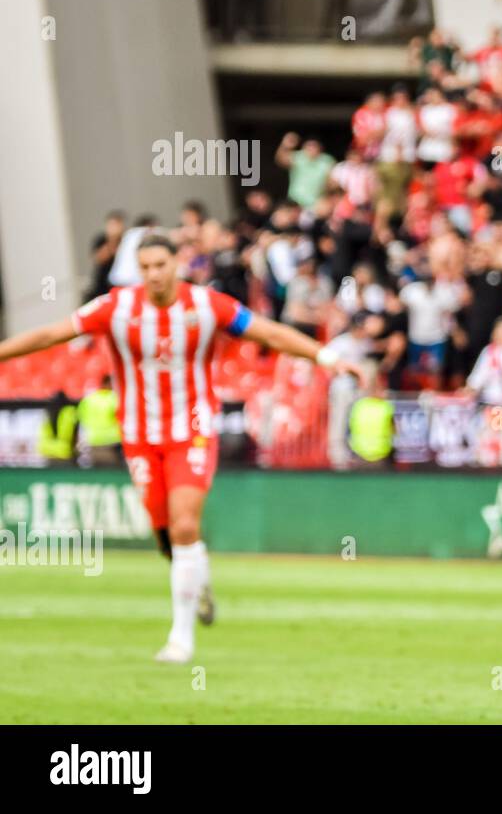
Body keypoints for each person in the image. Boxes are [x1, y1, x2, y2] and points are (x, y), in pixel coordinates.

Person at [0, 235, 365, 664]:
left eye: (160, 264)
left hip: (190, 431)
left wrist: (324, 357)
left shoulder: (207, 306)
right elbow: (50, 333)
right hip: (138, 436)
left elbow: (268, 332)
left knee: (185, 523)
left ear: (177, 264)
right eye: (145, 267)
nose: (153, 274)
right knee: (167, 538)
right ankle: (199, 577)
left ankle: (181, 638)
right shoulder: (116, 307)